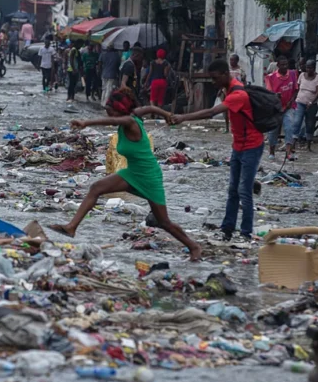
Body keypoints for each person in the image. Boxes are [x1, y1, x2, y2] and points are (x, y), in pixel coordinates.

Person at [48, 88, 202, 261]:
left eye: (110, 110)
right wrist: (166, 114)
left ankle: (194, 246)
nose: (108, 113)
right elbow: (151, 108)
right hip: (132, 172)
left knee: (164, 221)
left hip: (148, 175)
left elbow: (113, 120)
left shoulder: (129, 120)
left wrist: (86, 122)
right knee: (96, 188)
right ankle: (71, 227)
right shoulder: (135, 114)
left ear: (120, 110)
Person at [172, 60, 264, 241]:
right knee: (233, 190)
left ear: (224, 74)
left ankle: (246, 233)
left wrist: (183, 117)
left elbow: (211, 113)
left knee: (244, 191)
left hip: (252, 146)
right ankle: (227, 229)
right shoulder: (228, 90)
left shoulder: (237, 94)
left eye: (215, 78)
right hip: (238, 146)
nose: (213, 82)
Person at [264, 56, 298, 160]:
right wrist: (275, 96)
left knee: (289, 127)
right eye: (282, 65)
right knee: (273, 130)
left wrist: (290, 102)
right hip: (276, 108)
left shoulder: (292, 74)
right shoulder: (271, 77)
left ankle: (288, 152)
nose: (285, 67)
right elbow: (269, 93)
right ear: (278, 65)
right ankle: (272, 151)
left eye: (286, 64)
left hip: (289, 107)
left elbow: (295, 90)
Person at [293, 59, 318, 152]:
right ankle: (293, 143)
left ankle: (308, 145)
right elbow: (297, 88)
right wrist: (293, 99)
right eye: (307, 67)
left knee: (309, 124)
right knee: (297, 122)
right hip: (300, 102)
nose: (309, 70)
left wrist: (311, 102)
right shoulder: (301, 75)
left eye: (311, 68)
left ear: (314, 68)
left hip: (312, 105)